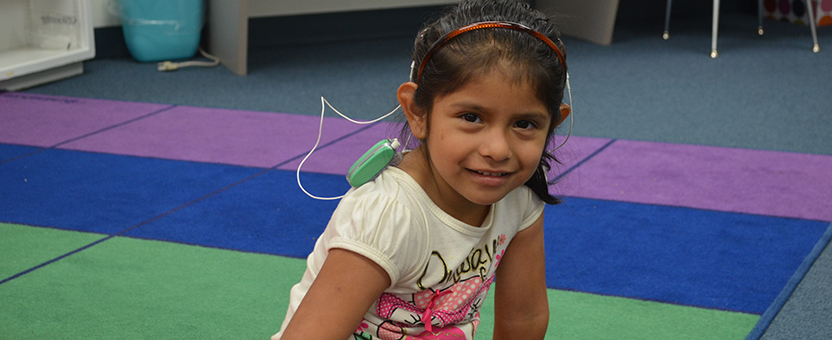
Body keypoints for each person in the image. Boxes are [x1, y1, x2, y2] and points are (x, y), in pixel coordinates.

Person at [273, 0, 571, 339]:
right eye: (471, 118)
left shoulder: (519, 196)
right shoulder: (389, 215)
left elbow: (524, 318)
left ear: (552, 124)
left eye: (524, 123)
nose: (497, 150)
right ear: (417, 112)